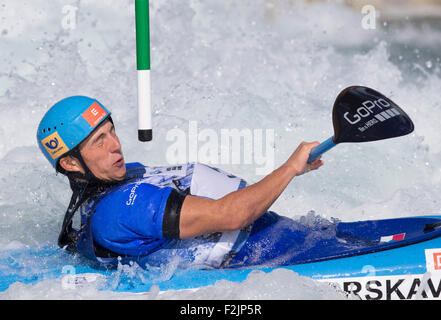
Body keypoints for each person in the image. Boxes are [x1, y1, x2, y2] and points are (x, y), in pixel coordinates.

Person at [37, 96, 324, 270]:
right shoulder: (121, 209)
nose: (116, 146)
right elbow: (232, 216)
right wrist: (289, 168)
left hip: (283, 235)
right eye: (99, 141)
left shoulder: (126, 179)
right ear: (71, 163)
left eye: (112, 132)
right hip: (271, 257)